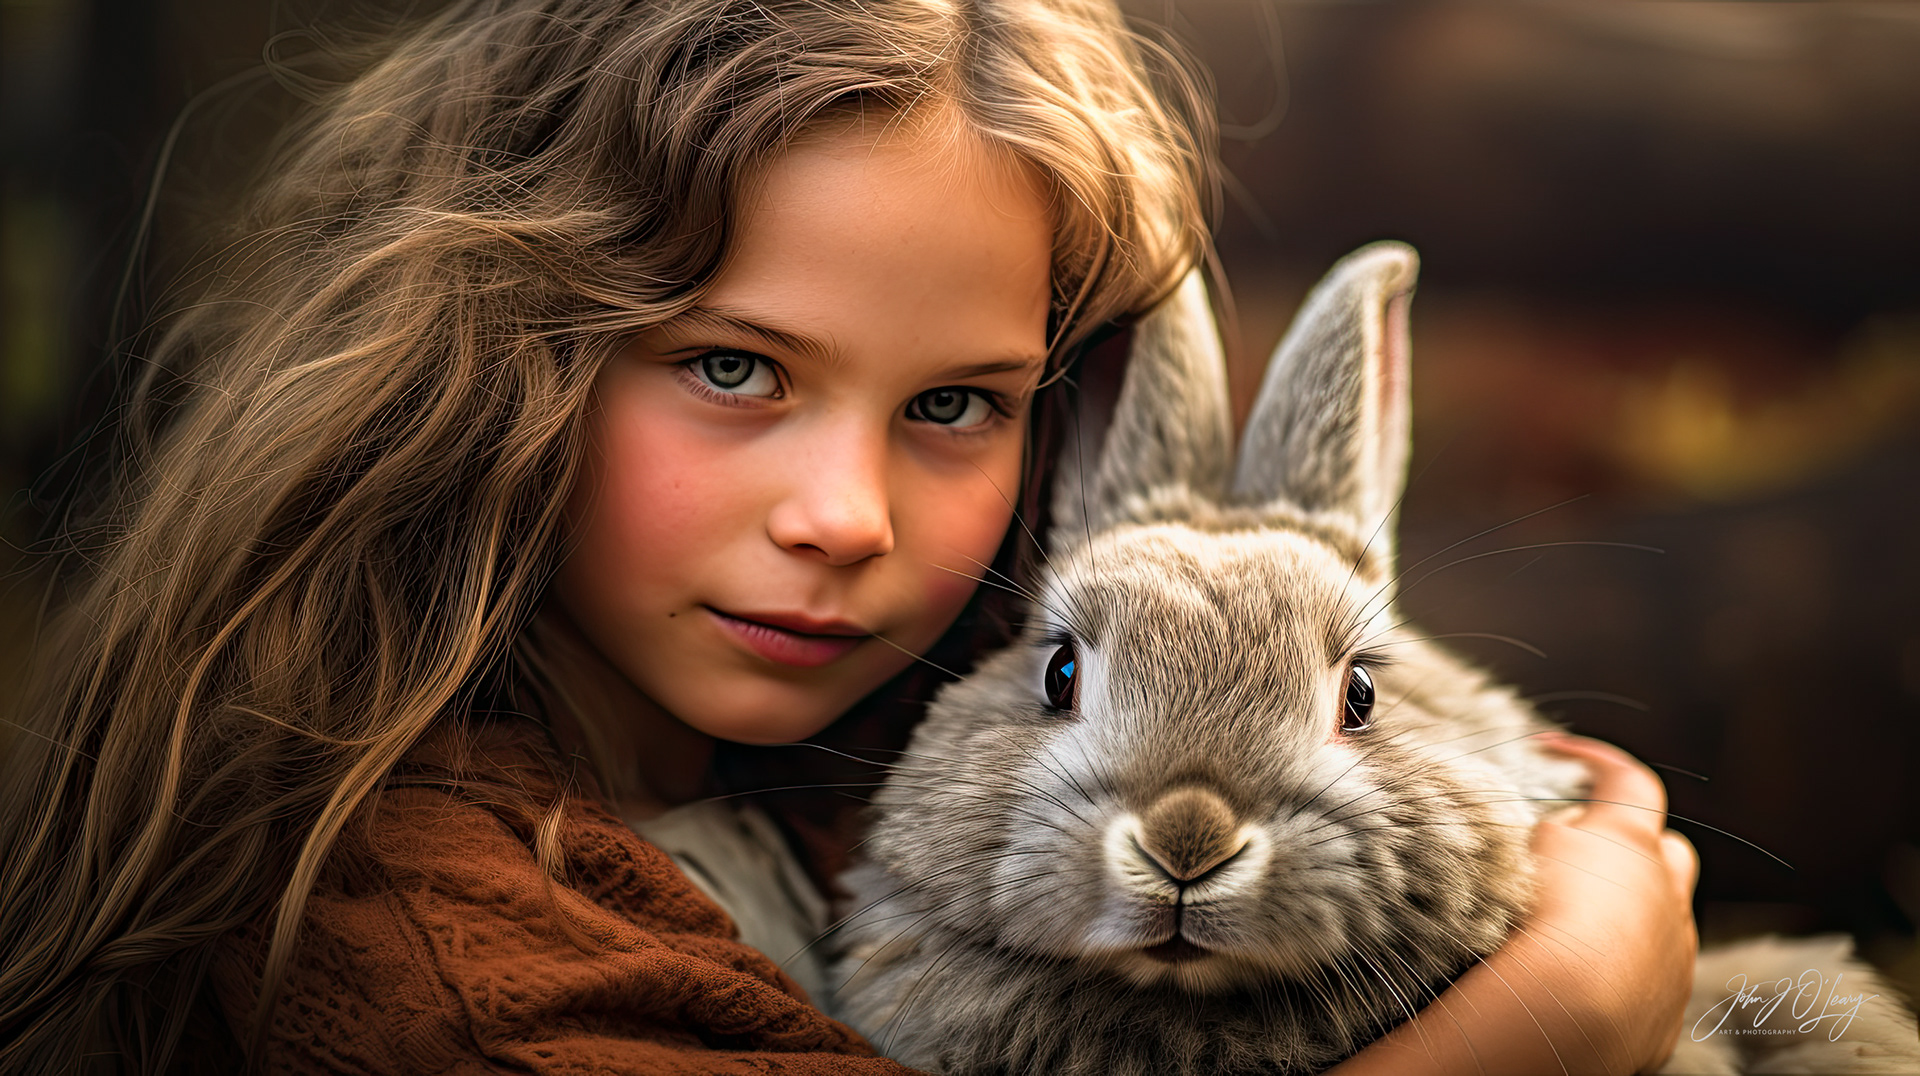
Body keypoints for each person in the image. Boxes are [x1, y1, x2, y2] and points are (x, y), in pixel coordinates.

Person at [0, 0, 1698, 1072]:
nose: (846, 519)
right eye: (735, 370)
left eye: (957, 404)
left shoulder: (901, 746)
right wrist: (1554, 1012)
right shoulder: (433, 948)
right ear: (502, 355)